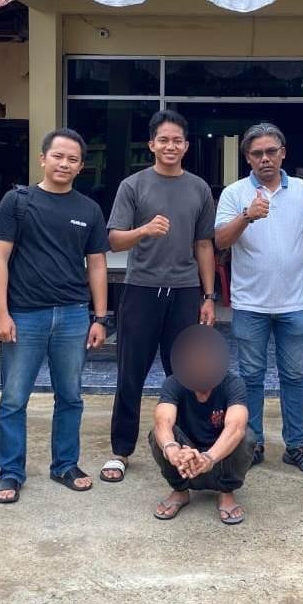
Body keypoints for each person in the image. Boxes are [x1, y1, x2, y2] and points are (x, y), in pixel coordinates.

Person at [0, 128, 111, 503]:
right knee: (14, 398)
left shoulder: (88, 209)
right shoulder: (17, 202)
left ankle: (65, 464)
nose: (64, 164)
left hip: (73, 315)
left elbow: (97, 265)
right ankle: (10, 472)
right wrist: (0, 312)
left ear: (81, 166)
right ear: (43, 158)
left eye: (72, 159)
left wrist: (100, 317)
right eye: (58, 156)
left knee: (71, 396)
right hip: (24, 315)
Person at [101, 109, 218, 484]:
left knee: (185, 372)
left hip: (185, 291)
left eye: (177, 140)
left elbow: (204, 244)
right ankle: (121, 450)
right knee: (130, 372)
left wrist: (209, 295)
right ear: (151, 144)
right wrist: (144, 230)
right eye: (163, 139)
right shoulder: (133, 185)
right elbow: (114, 239)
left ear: (186, 145)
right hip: (141, 289)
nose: (171, 146)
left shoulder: (199, 188)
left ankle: (186, 446)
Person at [215, 122, 303, 474]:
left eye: (271, 151)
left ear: (283, 153)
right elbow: (220, 241)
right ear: (247, 158)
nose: (265, 158)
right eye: (257, 153)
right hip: (250, 304)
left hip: (293, 303)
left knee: (293, 376)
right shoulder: (234, 193)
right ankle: (252, 444)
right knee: (251, 378)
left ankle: (296, 445)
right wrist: (247, 215)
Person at [148, 324, 257, 525]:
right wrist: (173, 450)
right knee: (158, 434)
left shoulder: (233, 384)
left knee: (246, 436)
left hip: (219, 458)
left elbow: (236, 426)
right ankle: (180, 491)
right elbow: (163, 421)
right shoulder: (173, 383)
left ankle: (226, 491)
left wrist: (209, 457)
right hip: (184, 460)